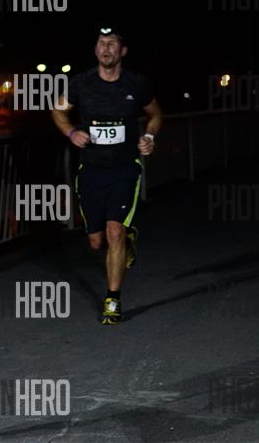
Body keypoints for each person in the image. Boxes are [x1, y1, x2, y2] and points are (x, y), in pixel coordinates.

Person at [51, 26, 162, 325]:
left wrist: (149, 137)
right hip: (91, 171)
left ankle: (112, 300)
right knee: (96, 242)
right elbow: (58, 111)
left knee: (114, 232)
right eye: (101, 43)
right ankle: (128, 240)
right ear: (95, 49)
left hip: (125, 169)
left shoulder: (136, 84)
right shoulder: (81, 83)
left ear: (122, 51)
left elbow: (155, 114)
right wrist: (71, 132)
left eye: (112, 43)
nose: (106, 49)